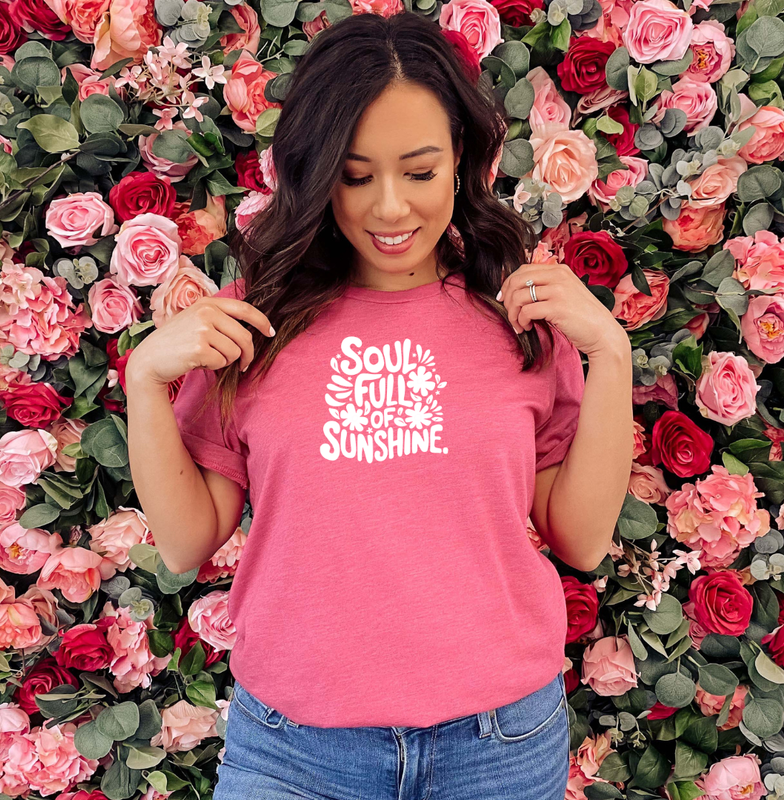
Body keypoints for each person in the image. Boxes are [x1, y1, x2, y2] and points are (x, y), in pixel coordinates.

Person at [125, 10, 634, 799]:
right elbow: (189, 540)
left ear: (461, 159)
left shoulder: (520, 315)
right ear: (316, 172)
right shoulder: (254, 323)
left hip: (496, 747)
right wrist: (144, 381)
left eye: (419, 172)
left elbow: (584, 539)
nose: (390, 208)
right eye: (356, 176)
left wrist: (611, 353)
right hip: (293, 753)